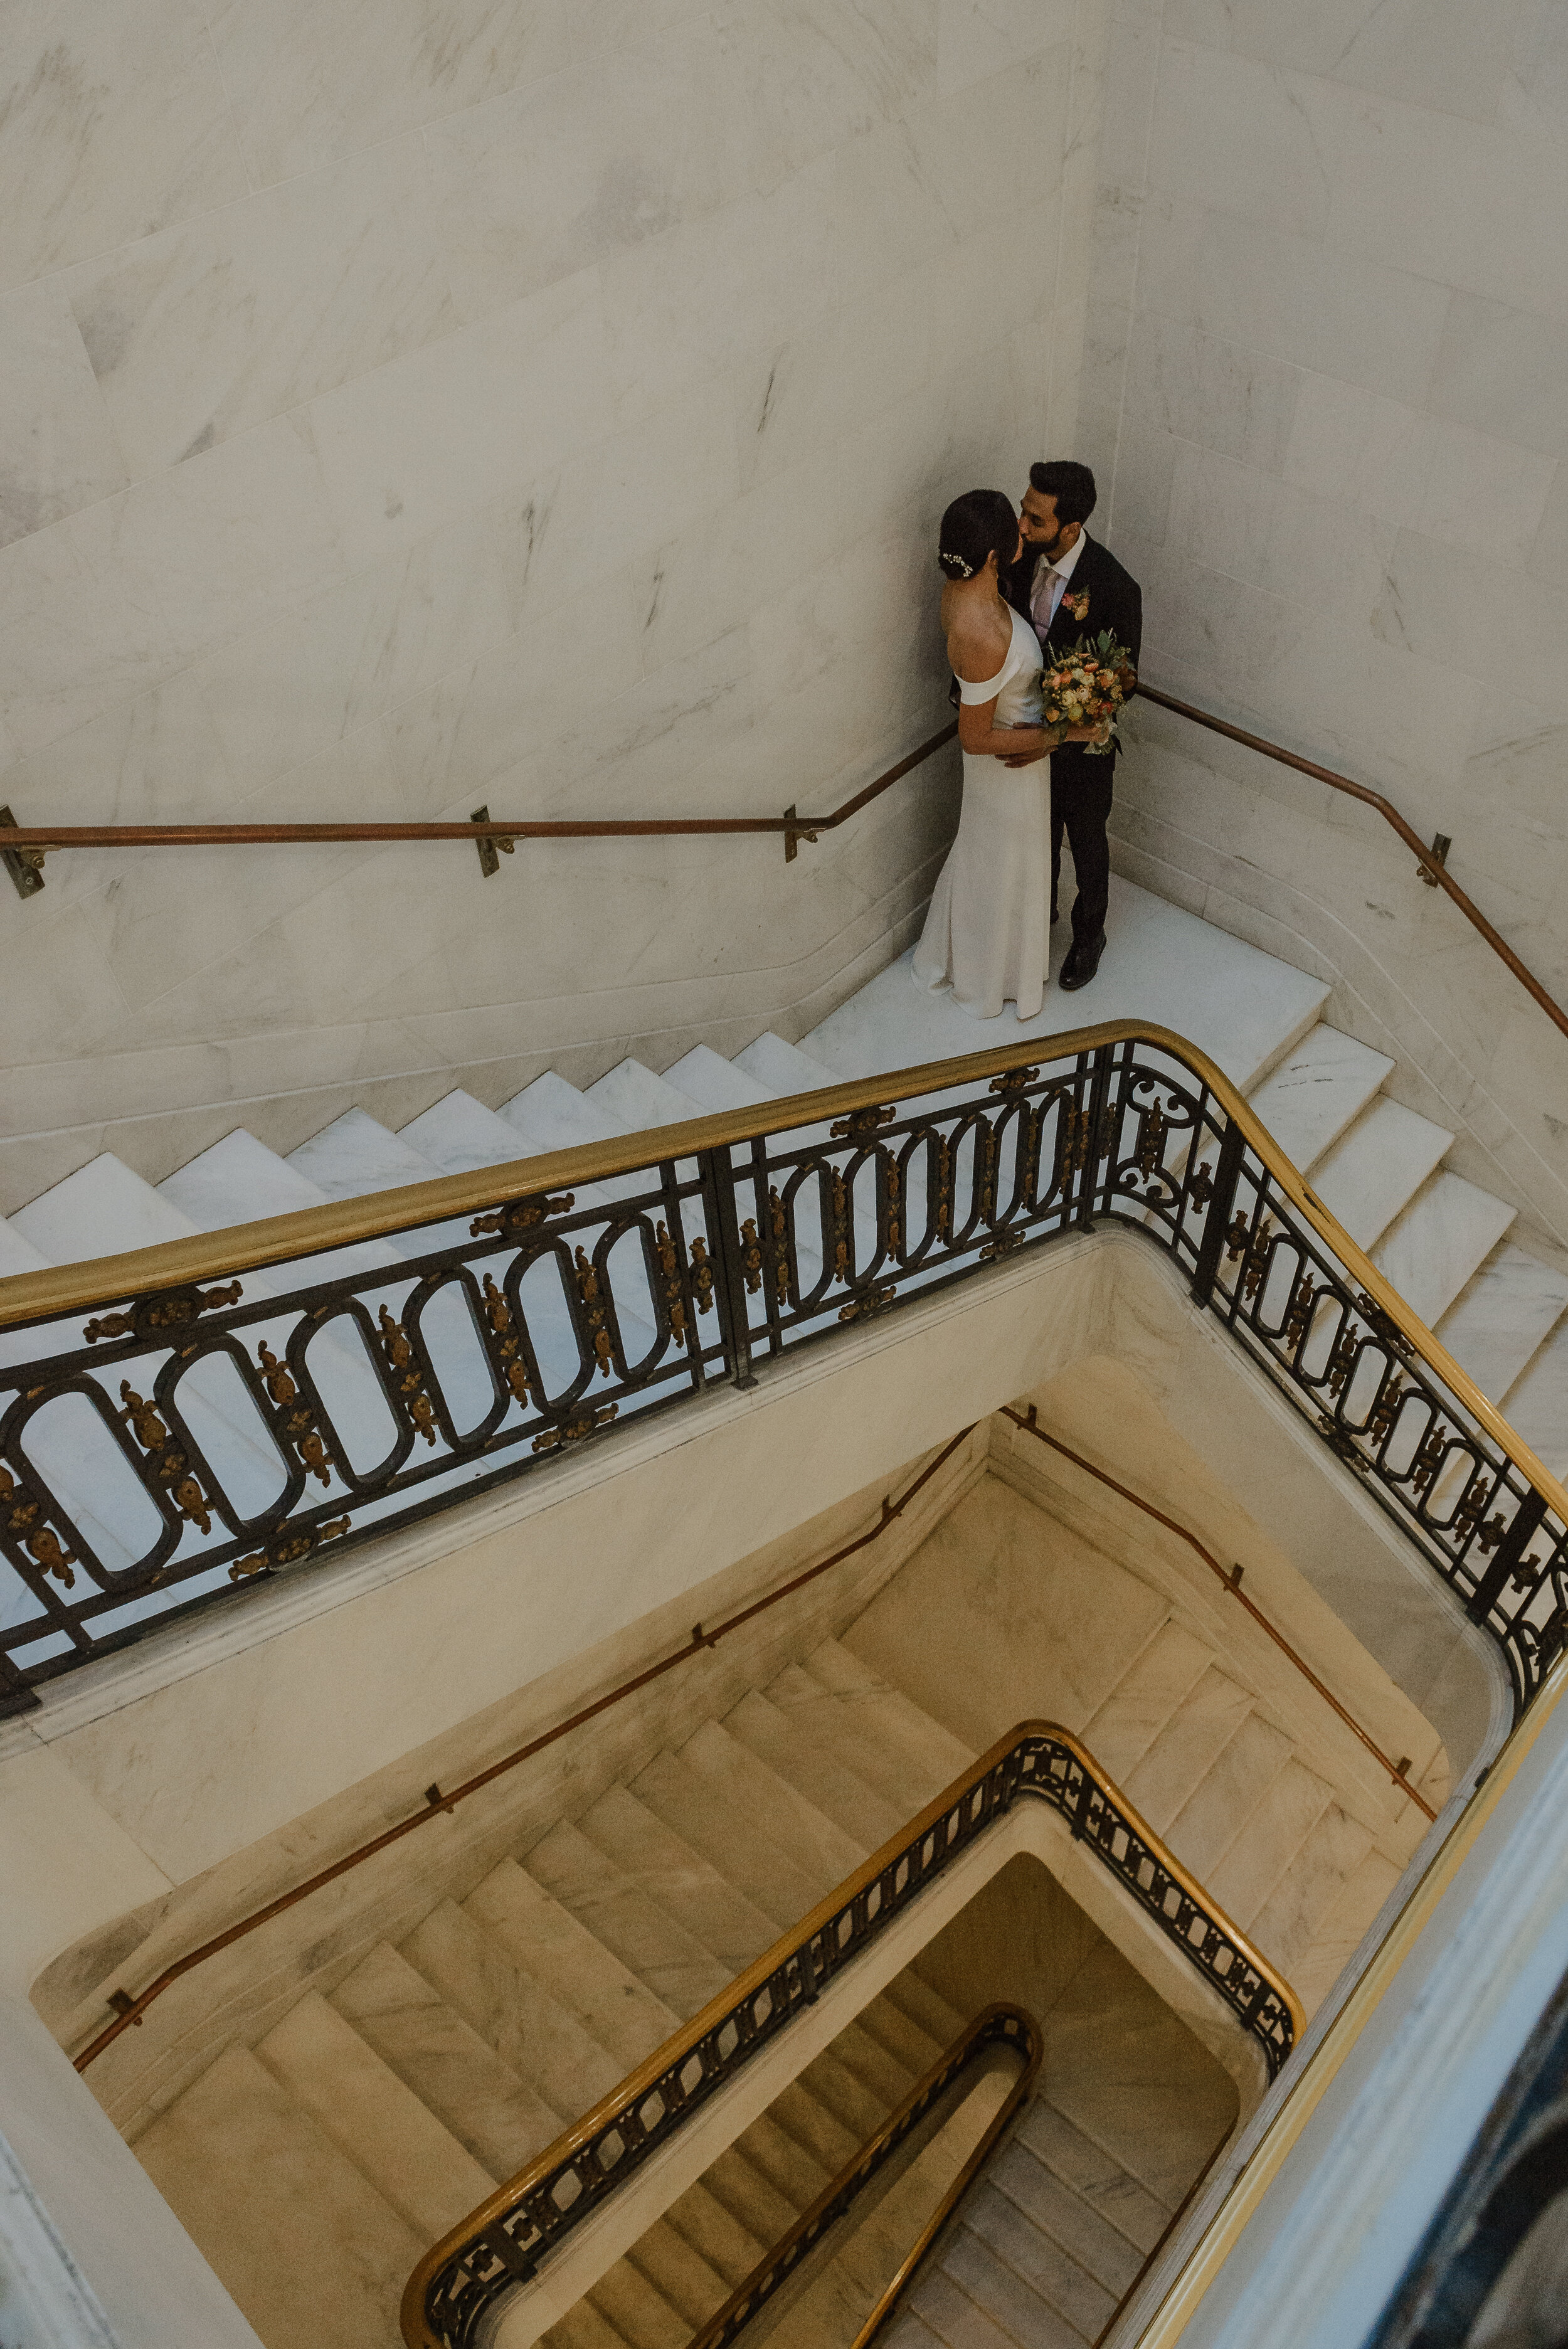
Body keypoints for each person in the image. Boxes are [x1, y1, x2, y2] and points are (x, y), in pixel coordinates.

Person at [913, 490, 1108, 1020]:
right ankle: (986, 974)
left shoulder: (961, 588)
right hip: (1004, 766)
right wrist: (1059, 735)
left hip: (1017, 748)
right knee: (997, 862)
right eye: (1014, 532)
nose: (1024, 532)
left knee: (1003, 858)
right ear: (994, 558)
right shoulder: (980, 629)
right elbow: (973, 737)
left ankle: (1001, 961)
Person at [1002, 460, 1142, 991]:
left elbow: (1124, 679)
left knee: (1085, 839)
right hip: (1021, 730)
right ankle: (1042, 919)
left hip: (1081, 748)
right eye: (1023, 509)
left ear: (1071, 528)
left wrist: (1072, 713)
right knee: (1038, 834)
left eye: (1034, 518)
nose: (1021, 524)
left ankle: (1090, 936)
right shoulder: (1020, 559)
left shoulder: (1114, 586)